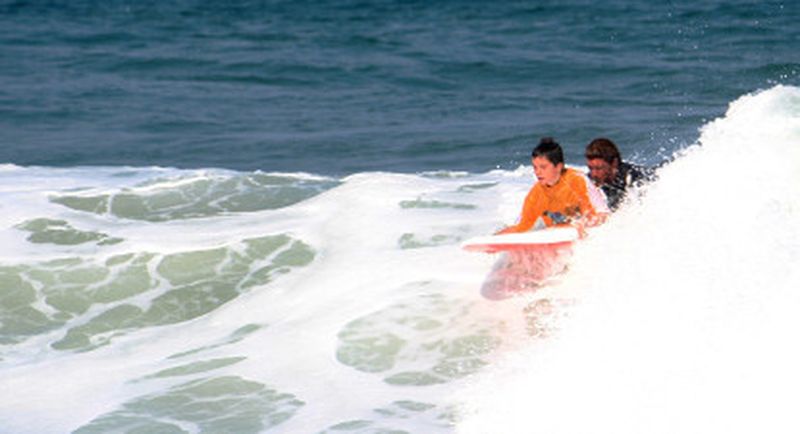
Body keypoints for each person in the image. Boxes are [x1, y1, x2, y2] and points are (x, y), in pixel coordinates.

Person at [497, 137, 609, 235]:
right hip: (556, 233)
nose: (537, 172)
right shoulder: (536, 193)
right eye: (535, 167)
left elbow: (601, 214)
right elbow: (521, 227)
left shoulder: (577, 180)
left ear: (559, 167)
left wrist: (581, 226)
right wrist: (495, 239)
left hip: (589, 230)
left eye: (543, 167)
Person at [584, 137, 655, 210]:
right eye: (590, 168)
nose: (594, 174)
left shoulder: (633, 179)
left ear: (614, 163)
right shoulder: (589, 181)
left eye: (599, 168)